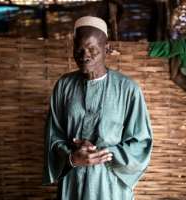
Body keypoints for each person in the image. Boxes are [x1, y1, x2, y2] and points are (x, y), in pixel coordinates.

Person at [42, 16, 153, 200]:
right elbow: (53, 136)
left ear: (107, 48)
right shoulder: (63, 85)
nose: (85, 56)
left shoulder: (127, 89)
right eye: (79, 49)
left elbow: (141, 143)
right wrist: (72, 158)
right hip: (73, 182)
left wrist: (104, 154)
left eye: (92, 49)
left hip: (110, 185)